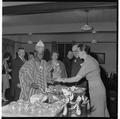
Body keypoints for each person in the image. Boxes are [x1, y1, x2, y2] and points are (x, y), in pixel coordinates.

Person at [55, 44, 109, 117]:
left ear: (83, 52)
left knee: (98, 112)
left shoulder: (88, 62)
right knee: (99, 110)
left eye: (78, 51)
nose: (76, 53)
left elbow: (76, 78)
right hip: (96, 88)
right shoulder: (89, 59)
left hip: (97, 90)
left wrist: (61, 79)